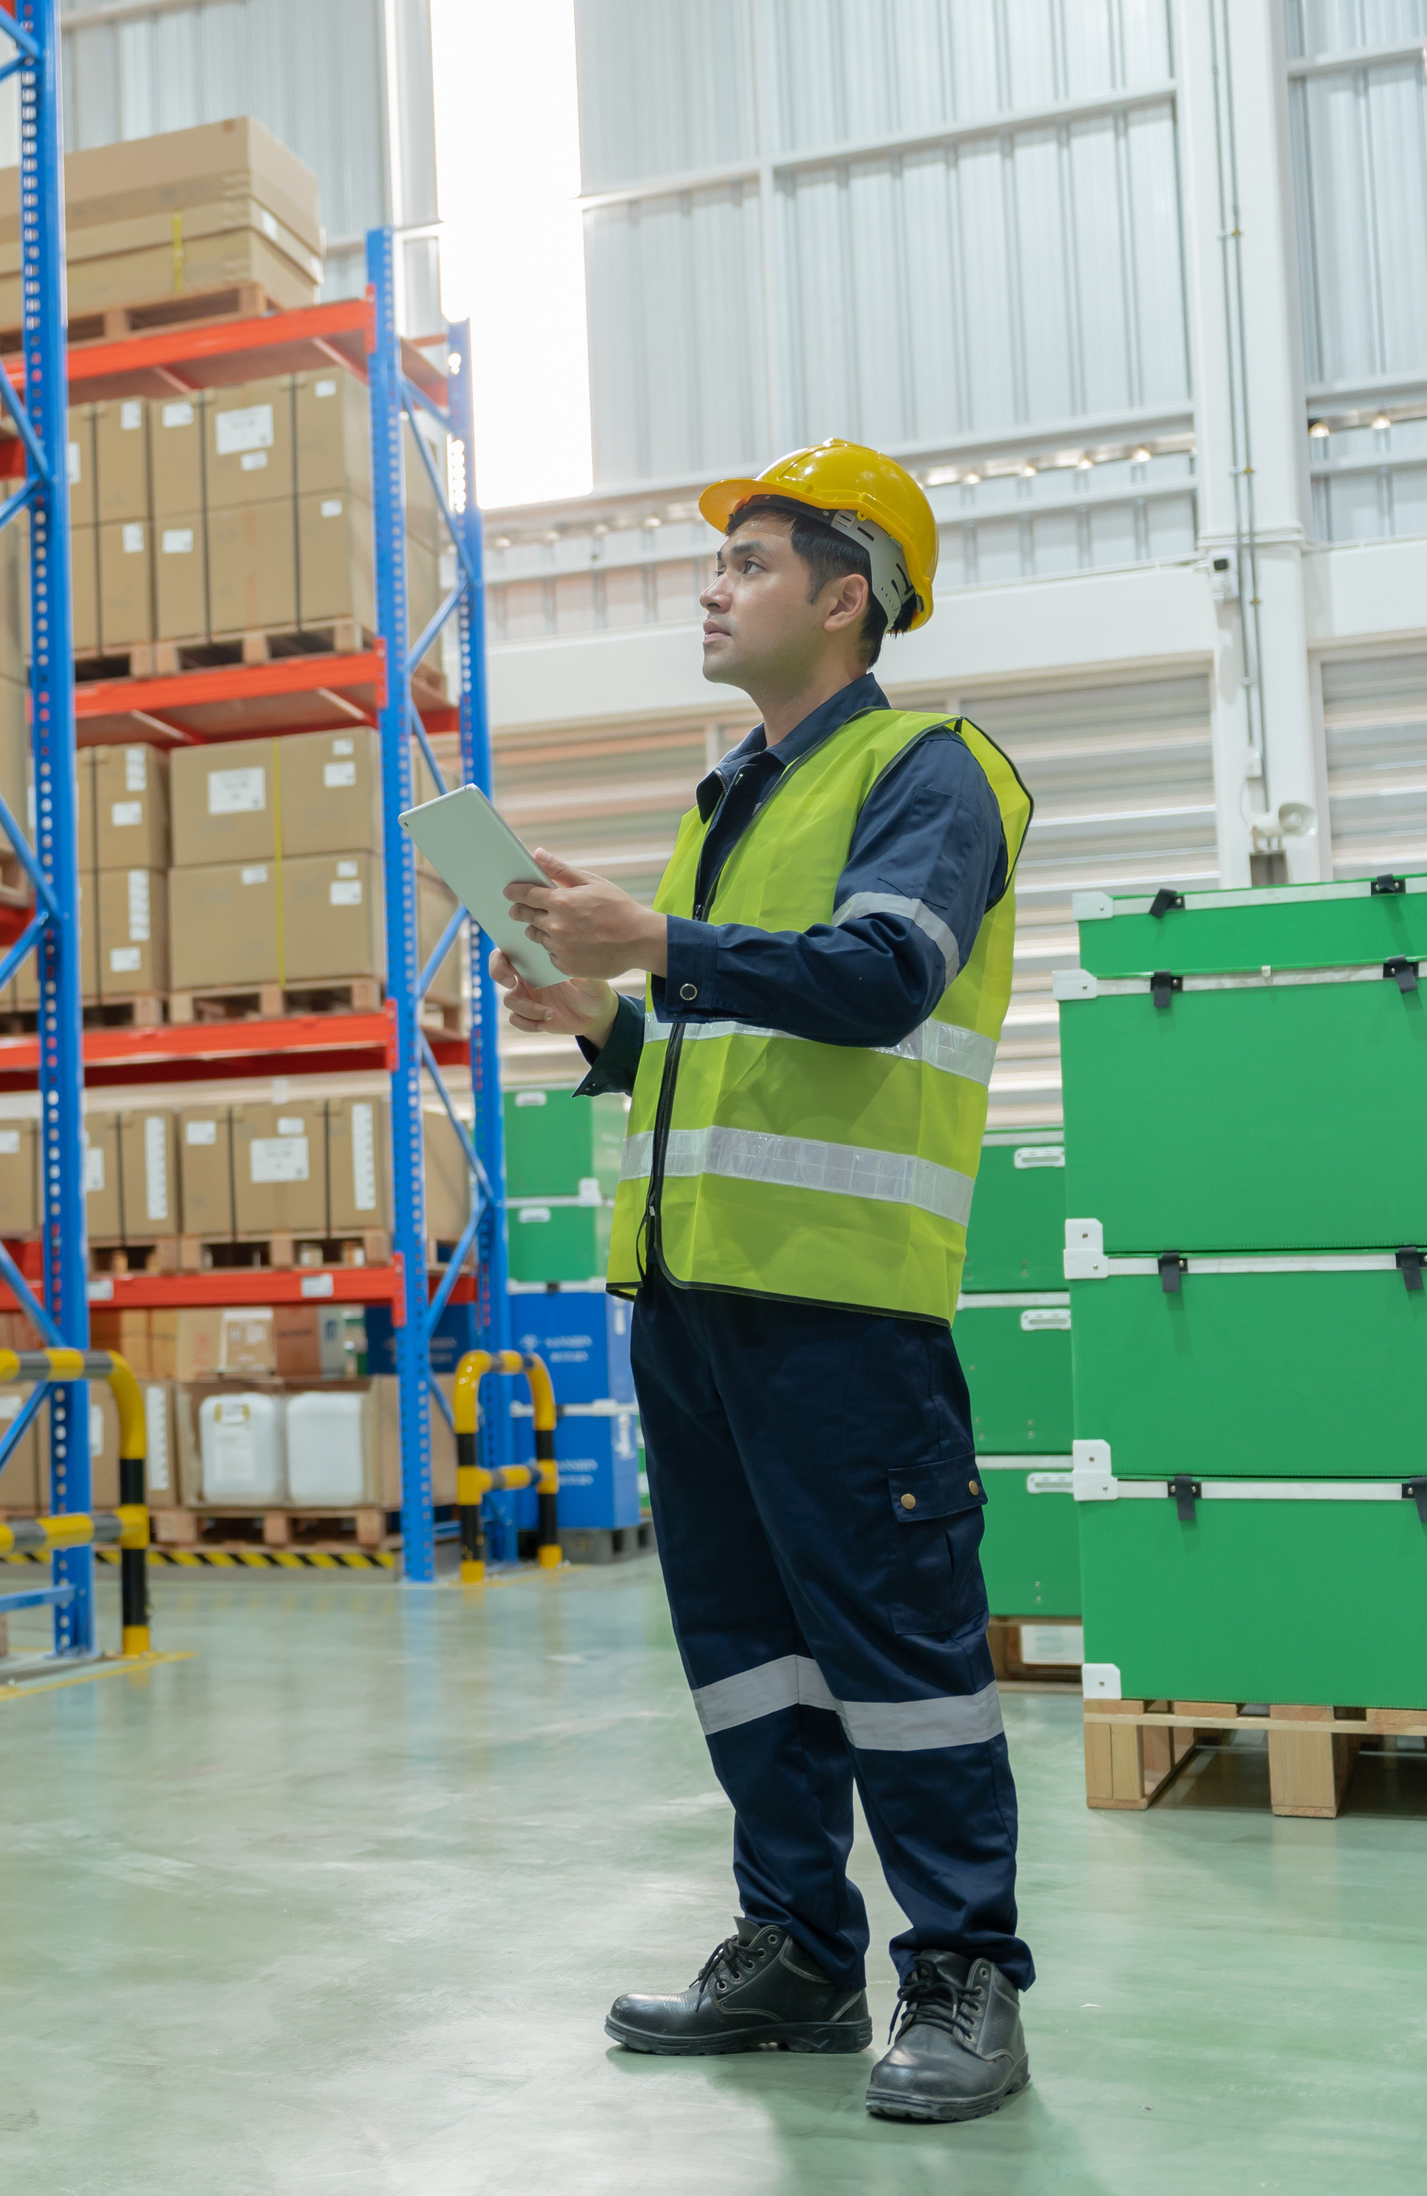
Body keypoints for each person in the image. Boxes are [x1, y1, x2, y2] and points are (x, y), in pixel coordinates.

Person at [489, 442, 1038, 2123]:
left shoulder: (933, 772)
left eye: (746, 562)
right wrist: (606, 1032)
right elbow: (724, 1046)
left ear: (844, 594)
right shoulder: (727, 795)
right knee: (744, 1652)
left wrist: (652, 946)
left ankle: (959, 1978)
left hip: (839, 1306)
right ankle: (796, 1947)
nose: (709, 590)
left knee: (897, 1654)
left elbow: (876, 982)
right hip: (688, 1297)